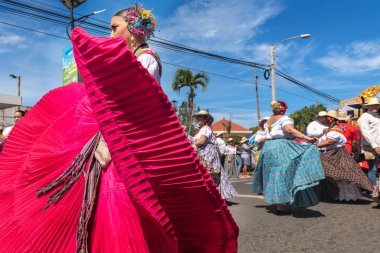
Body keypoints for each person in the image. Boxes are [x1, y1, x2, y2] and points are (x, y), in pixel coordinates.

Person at [0, 5, 239, 253]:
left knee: (118, 203)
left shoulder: (146, 58)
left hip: (124, 142)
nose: (111, 34)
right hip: (116, 136)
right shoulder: (135, 58)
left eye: (115, 28)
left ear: (133, 28)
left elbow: (133, 104)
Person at [252, 100, 325, 215]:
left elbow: (265, 137)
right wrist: (307, 138)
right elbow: (289, 130)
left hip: (268, 148)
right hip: (281, 147)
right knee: (283, 173)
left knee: (273, 175)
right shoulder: (285, 119)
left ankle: (280, 201)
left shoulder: (268, 122)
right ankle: (281, 205)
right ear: (283, 109)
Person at [317, 110, 373, 201]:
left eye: (326, 118)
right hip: (342, 151)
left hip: (334, 153)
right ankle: (333, 194)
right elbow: (355, 141)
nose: (324, 119)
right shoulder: (349, 127)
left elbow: (329, 141)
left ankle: (340, 195)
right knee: (341, 173)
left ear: (331, 119)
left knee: (338, 174)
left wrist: (315, 145)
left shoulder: (334, 130)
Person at [193, 110, 237, 199]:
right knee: (206, 173)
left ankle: (211, 195)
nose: (198, 119)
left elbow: (202, 140)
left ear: (206, 119)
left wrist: (192, 145)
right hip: (203, 153)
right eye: (198, 117)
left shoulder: (206, 129)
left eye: (200, 117)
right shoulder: (201, 130)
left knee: (208, 173)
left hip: (207, 154)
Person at [358, 97, 380, 186]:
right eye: (372, 105)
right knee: (373, 169)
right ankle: (374, 191)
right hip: (371, 146)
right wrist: (375, 145)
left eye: (376, 105)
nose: (374, 107)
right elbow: (365, 132)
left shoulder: (378, 116)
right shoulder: (364, 117)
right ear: (368, 107)